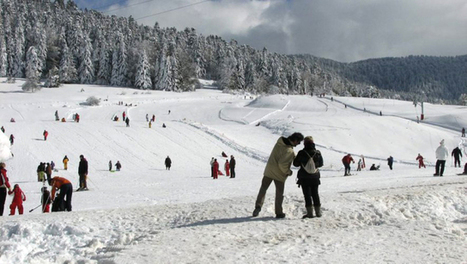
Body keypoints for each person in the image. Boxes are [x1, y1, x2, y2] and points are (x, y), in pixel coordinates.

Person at [252, 132, 304, 218]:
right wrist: (288, 172)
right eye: (298, 142)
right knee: (279, 193)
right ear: (295, 140)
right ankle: (279, 212)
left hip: (269, 170)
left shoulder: (279, 142)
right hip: (279, 175)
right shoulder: (289, 151)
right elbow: (282, 164)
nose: (298, 144)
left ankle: (258, 206)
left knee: (263, 189)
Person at [293, 136, 322, 218]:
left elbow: (296, 164)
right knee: (315, 194)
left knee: (307, 195)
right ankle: (318, 212)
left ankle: (310, 213)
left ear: (304, 143)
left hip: (304, 177)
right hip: (315, 177)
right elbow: (321, 164)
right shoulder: (317, 153)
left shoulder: (301, 153)